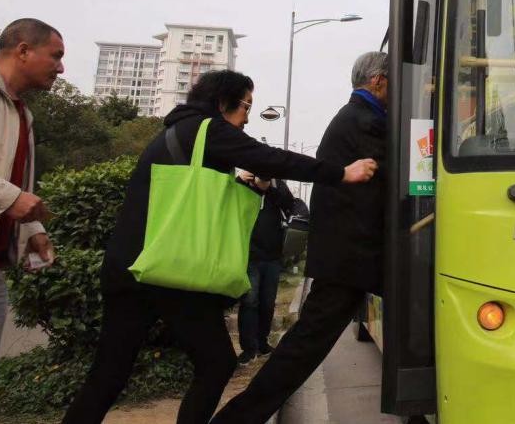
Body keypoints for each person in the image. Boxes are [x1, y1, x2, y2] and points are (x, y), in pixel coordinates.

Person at [61, 70, 377, 424]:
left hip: (127, 267)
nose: (246, 117)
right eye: (246, 106)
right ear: (223, 101)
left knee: (109, 374)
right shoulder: (208, 128)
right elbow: (268, 157)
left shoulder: (176, 131)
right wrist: (340, 173)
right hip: (167, 271)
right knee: (217, 363)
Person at [212, 51, 389, 424]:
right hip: (350, 258)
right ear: (378, 81)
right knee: (304, 348)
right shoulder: (367, 121)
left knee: (305, 346)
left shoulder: (357, 117)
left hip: (348, 255)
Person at [0, 19, 62, 397]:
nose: (61, 68)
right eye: (56, 56)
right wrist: (11, 198)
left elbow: (18, 183)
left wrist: (33, 231)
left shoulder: (22, 114)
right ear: (22, 50)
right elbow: (11, 191)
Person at [236, 171, 296, 364]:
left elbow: (289, 205)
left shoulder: (277, 184)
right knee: (249, 302)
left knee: (267, 303)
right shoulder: (243, 183)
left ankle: (262, 344)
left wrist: (268, 188)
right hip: (248, 254)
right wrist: (239, 181)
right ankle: (248, 349)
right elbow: (228, 203)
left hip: (272, 256)